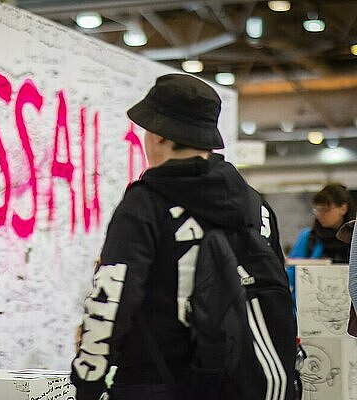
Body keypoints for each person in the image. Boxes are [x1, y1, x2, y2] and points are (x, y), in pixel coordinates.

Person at [70, 74, 287, 400]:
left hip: (156, 384)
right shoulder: (256, 206)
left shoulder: (144, 204)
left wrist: (88, 382)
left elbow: (113, 296)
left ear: (157, 134)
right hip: (242, 382)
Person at [288, 183, 355, 263]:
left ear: (343, 209)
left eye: (325, 210)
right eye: (317, 210)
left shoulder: (354, 238)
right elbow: (291, 268)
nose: (319, 215)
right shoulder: (308, 237)